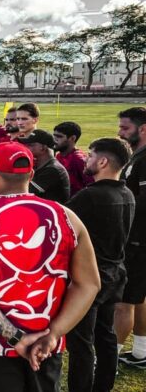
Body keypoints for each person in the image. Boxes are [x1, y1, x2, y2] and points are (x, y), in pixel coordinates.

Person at [0, 141, 100, 392]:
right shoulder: (68, 217)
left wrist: (16, 338)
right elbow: (89, 284)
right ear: (31, 175)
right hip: (46, 345)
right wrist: (53, 334)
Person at [66, 138, 135, 392]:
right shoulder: (126, 193)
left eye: (91, 155)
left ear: (103, 161)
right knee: (105, 336)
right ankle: (103, 386)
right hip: (115, 273)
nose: (87, 160)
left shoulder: (91, 196)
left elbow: (60, 224)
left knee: (81, 342)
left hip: (91, 277)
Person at [116, 106, 146, 369]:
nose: (120, 133)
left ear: (143, 129)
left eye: (125, 128)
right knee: (138, 298)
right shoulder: (137, 156)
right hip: (136, 238)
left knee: (123, 302)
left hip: (138, 240)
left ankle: (107, 357)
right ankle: (140, 351)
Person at [20, 129, 71, 204]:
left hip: (52, 211)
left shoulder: (53, 170)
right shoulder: (42, 165)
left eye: (30, 145)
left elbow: (24, 192)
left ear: (43, 147)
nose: (25, 147)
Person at [54, 122, 94, 197]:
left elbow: (92, 185)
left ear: (72, 138)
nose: (54, 139)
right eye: (54, 135)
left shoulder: (78, 159)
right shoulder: (58, 156)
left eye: (59, 136)